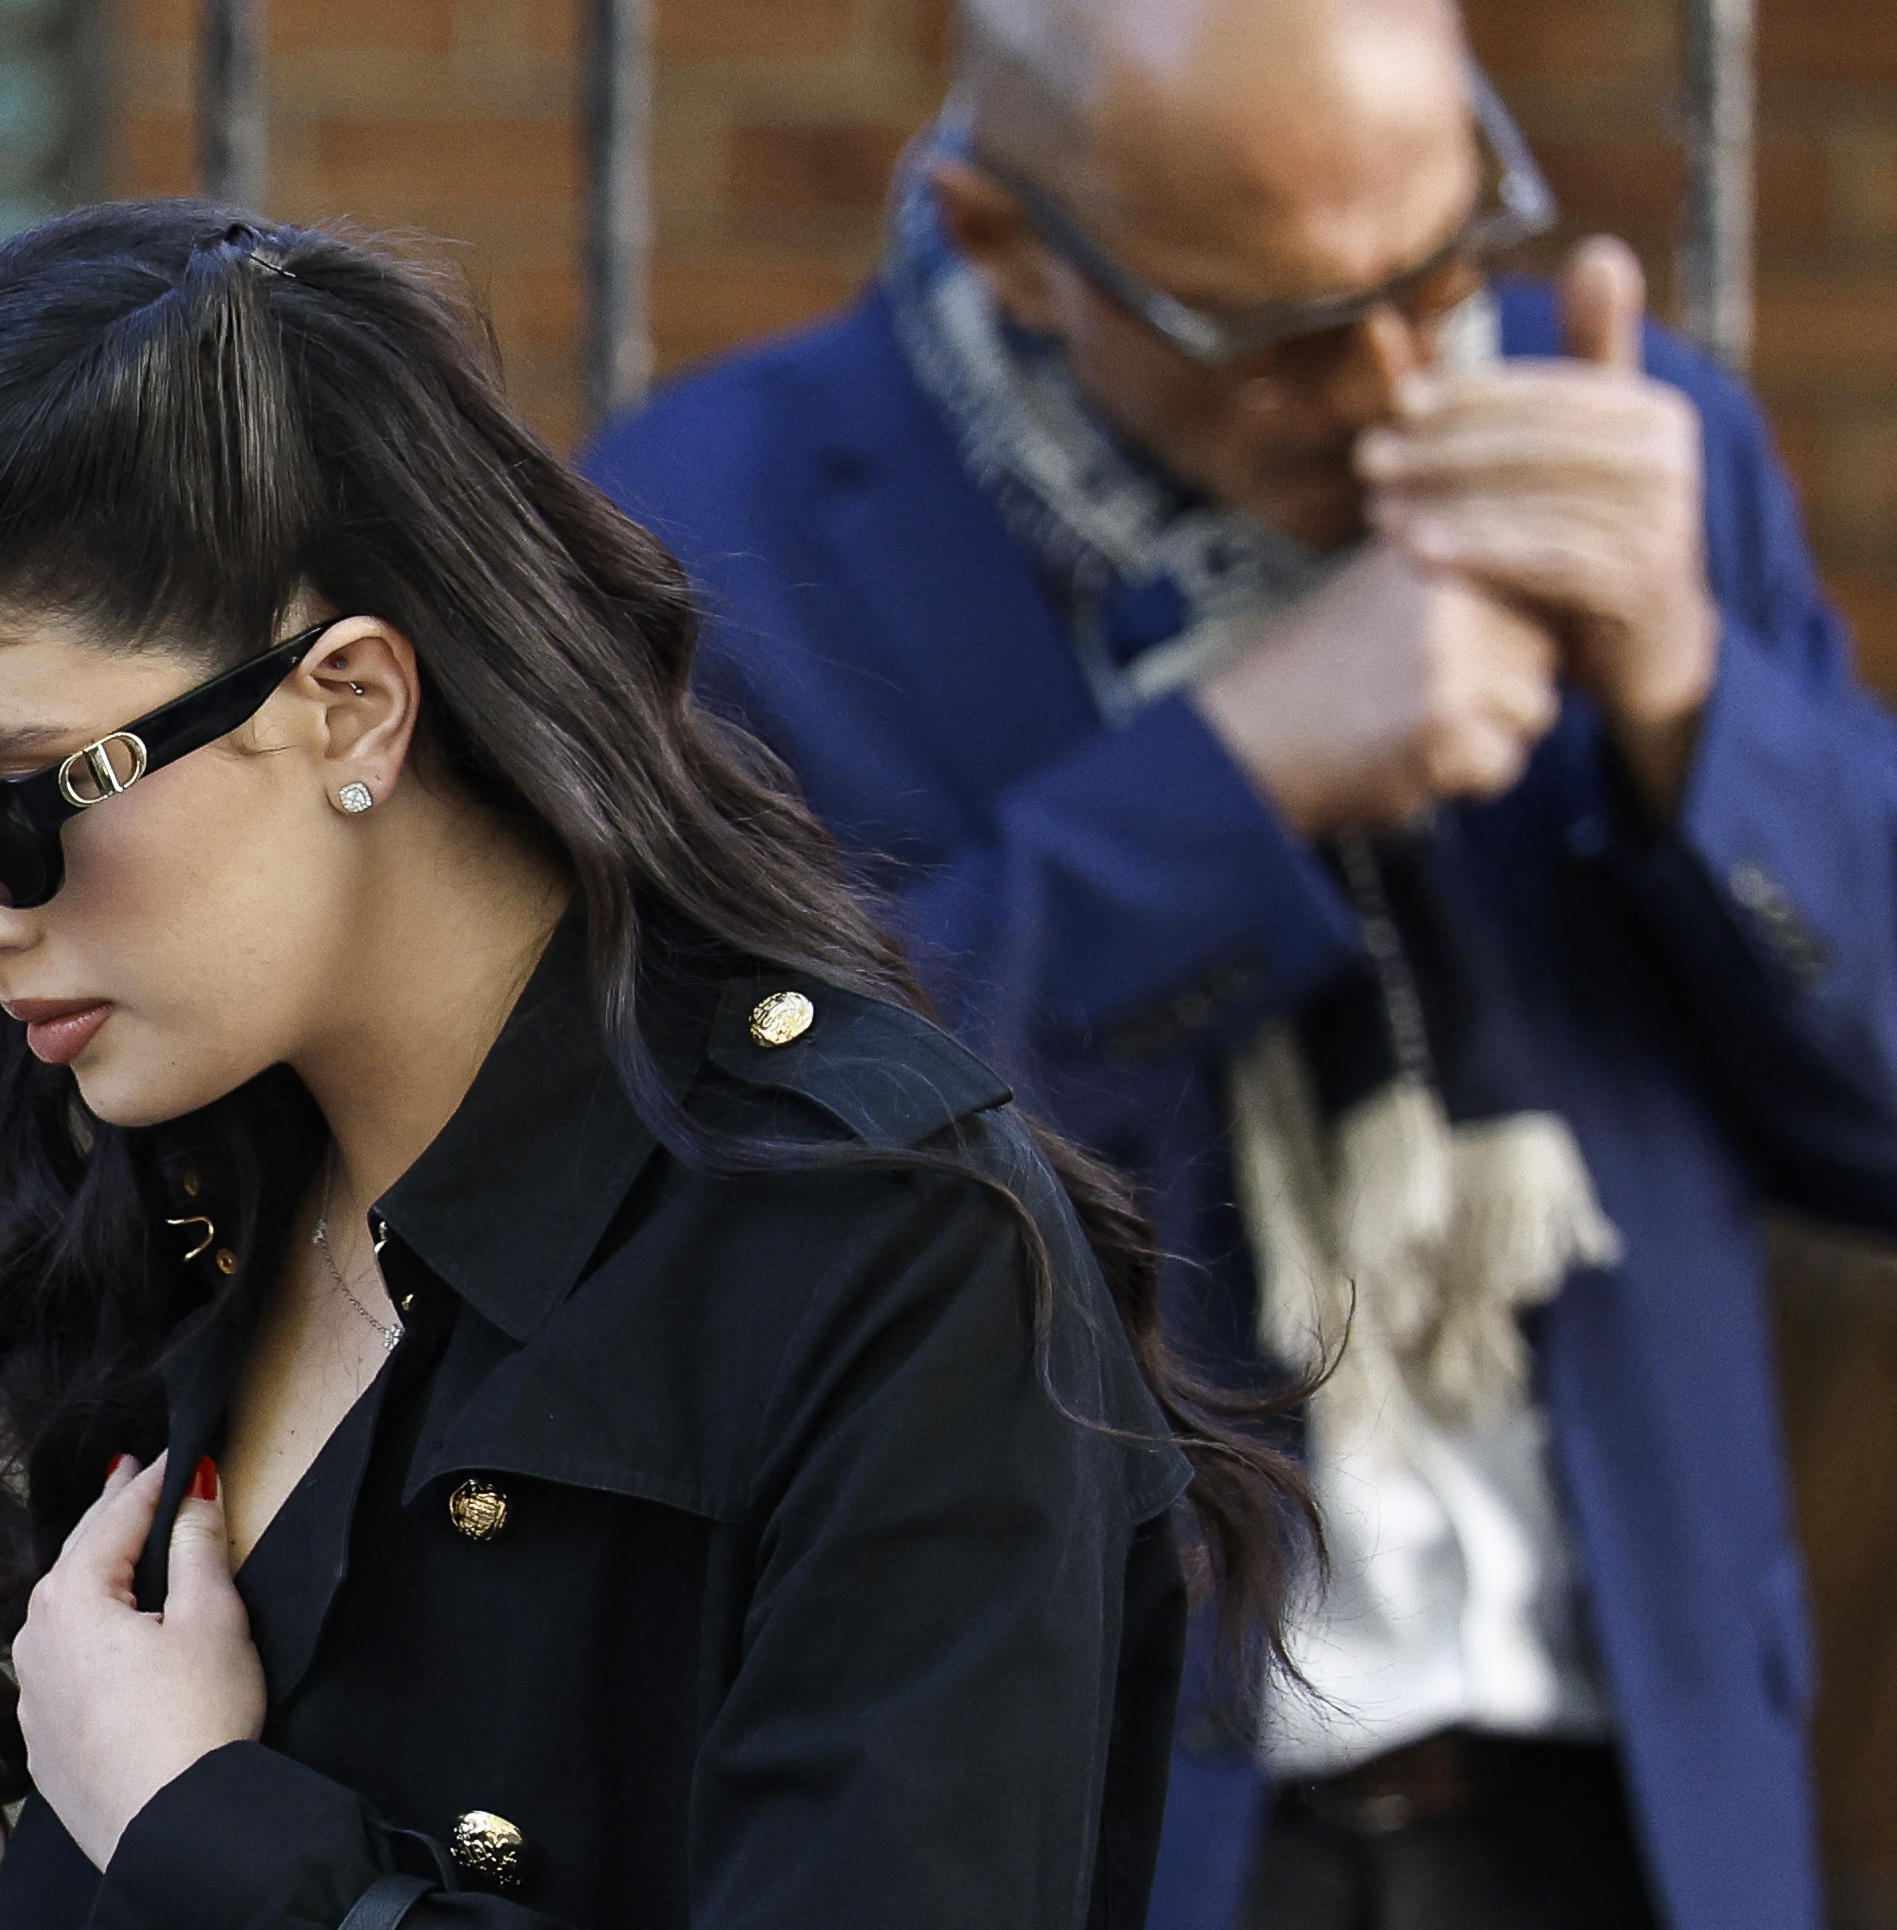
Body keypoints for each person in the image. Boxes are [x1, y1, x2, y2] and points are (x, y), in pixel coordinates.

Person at [0, 200, 1311, 1930]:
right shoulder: (172, 1184)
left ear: (350, 702)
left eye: (3, 805)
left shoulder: (884, 1248)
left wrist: (211, 1827)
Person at [586, 1, 1897, 1928]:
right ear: (1005, 241)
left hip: (1637, 1819)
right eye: (1276, 332)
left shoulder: (1632, 440)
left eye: (1444, 265)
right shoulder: (708, 537)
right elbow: (717, 1190)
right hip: (1109, 1822)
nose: (1392, 382)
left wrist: (1694, 703)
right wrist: (1230, 790)